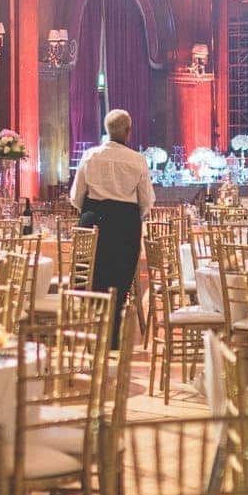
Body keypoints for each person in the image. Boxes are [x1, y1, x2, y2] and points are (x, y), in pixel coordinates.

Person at [69, 108, 154, 345]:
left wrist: (92, 211)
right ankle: (112, 337)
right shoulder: (137, 160)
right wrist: (129, 215)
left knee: (90, 277)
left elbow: (76, 196)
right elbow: (146, 202)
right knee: (119, 281)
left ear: (107, 130)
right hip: (125, 225)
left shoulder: (90, 156)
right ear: (128, 131)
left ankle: (90, 334)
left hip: (93, 220)